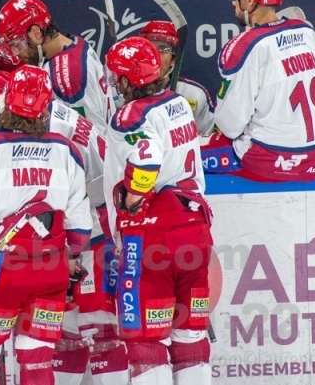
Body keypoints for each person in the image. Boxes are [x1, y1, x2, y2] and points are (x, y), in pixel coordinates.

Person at [0, 65, 93, 385]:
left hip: (2, 271)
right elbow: (80, 224)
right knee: (36, 361)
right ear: (46, 105)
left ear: (8, 101)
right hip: (51, 272)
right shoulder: (67, 151)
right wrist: (73, 263)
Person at [0, 70, 129, 385]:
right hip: (71, 233)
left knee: (101, 333)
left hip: (92, 230)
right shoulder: (44, 116)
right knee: (65, 335)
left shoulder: (51, 130)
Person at [103, 37, 213, 385]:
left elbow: (147, 158)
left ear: (127, 79)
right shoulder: (179, 102)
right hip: (195, 228)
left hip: (152, 235)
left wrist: (134, 195)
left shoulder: (129, 115)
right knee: (190, 340)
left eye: (117, 74)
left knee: (146, 344)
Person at [210, 0, 315, 181]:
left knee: (184, 154)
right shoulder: (308, 33)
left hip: (268, 162)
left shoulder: (245, 47)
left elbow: (229, 124)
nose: (233, 2)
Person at [0, 0, 111, 127]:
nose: (16, 54)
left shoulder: (66, 77)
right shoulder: (74, 42)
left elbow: (87, 140)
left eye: (16, 45)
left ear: (36, 33)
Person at [139, 21, 216, 135]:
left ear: (174, 59)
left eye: (163, 49)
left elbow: (206, 143)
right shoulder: (121, 93)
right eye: (149, 48)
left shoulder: (194, 95)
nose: (154, 56)